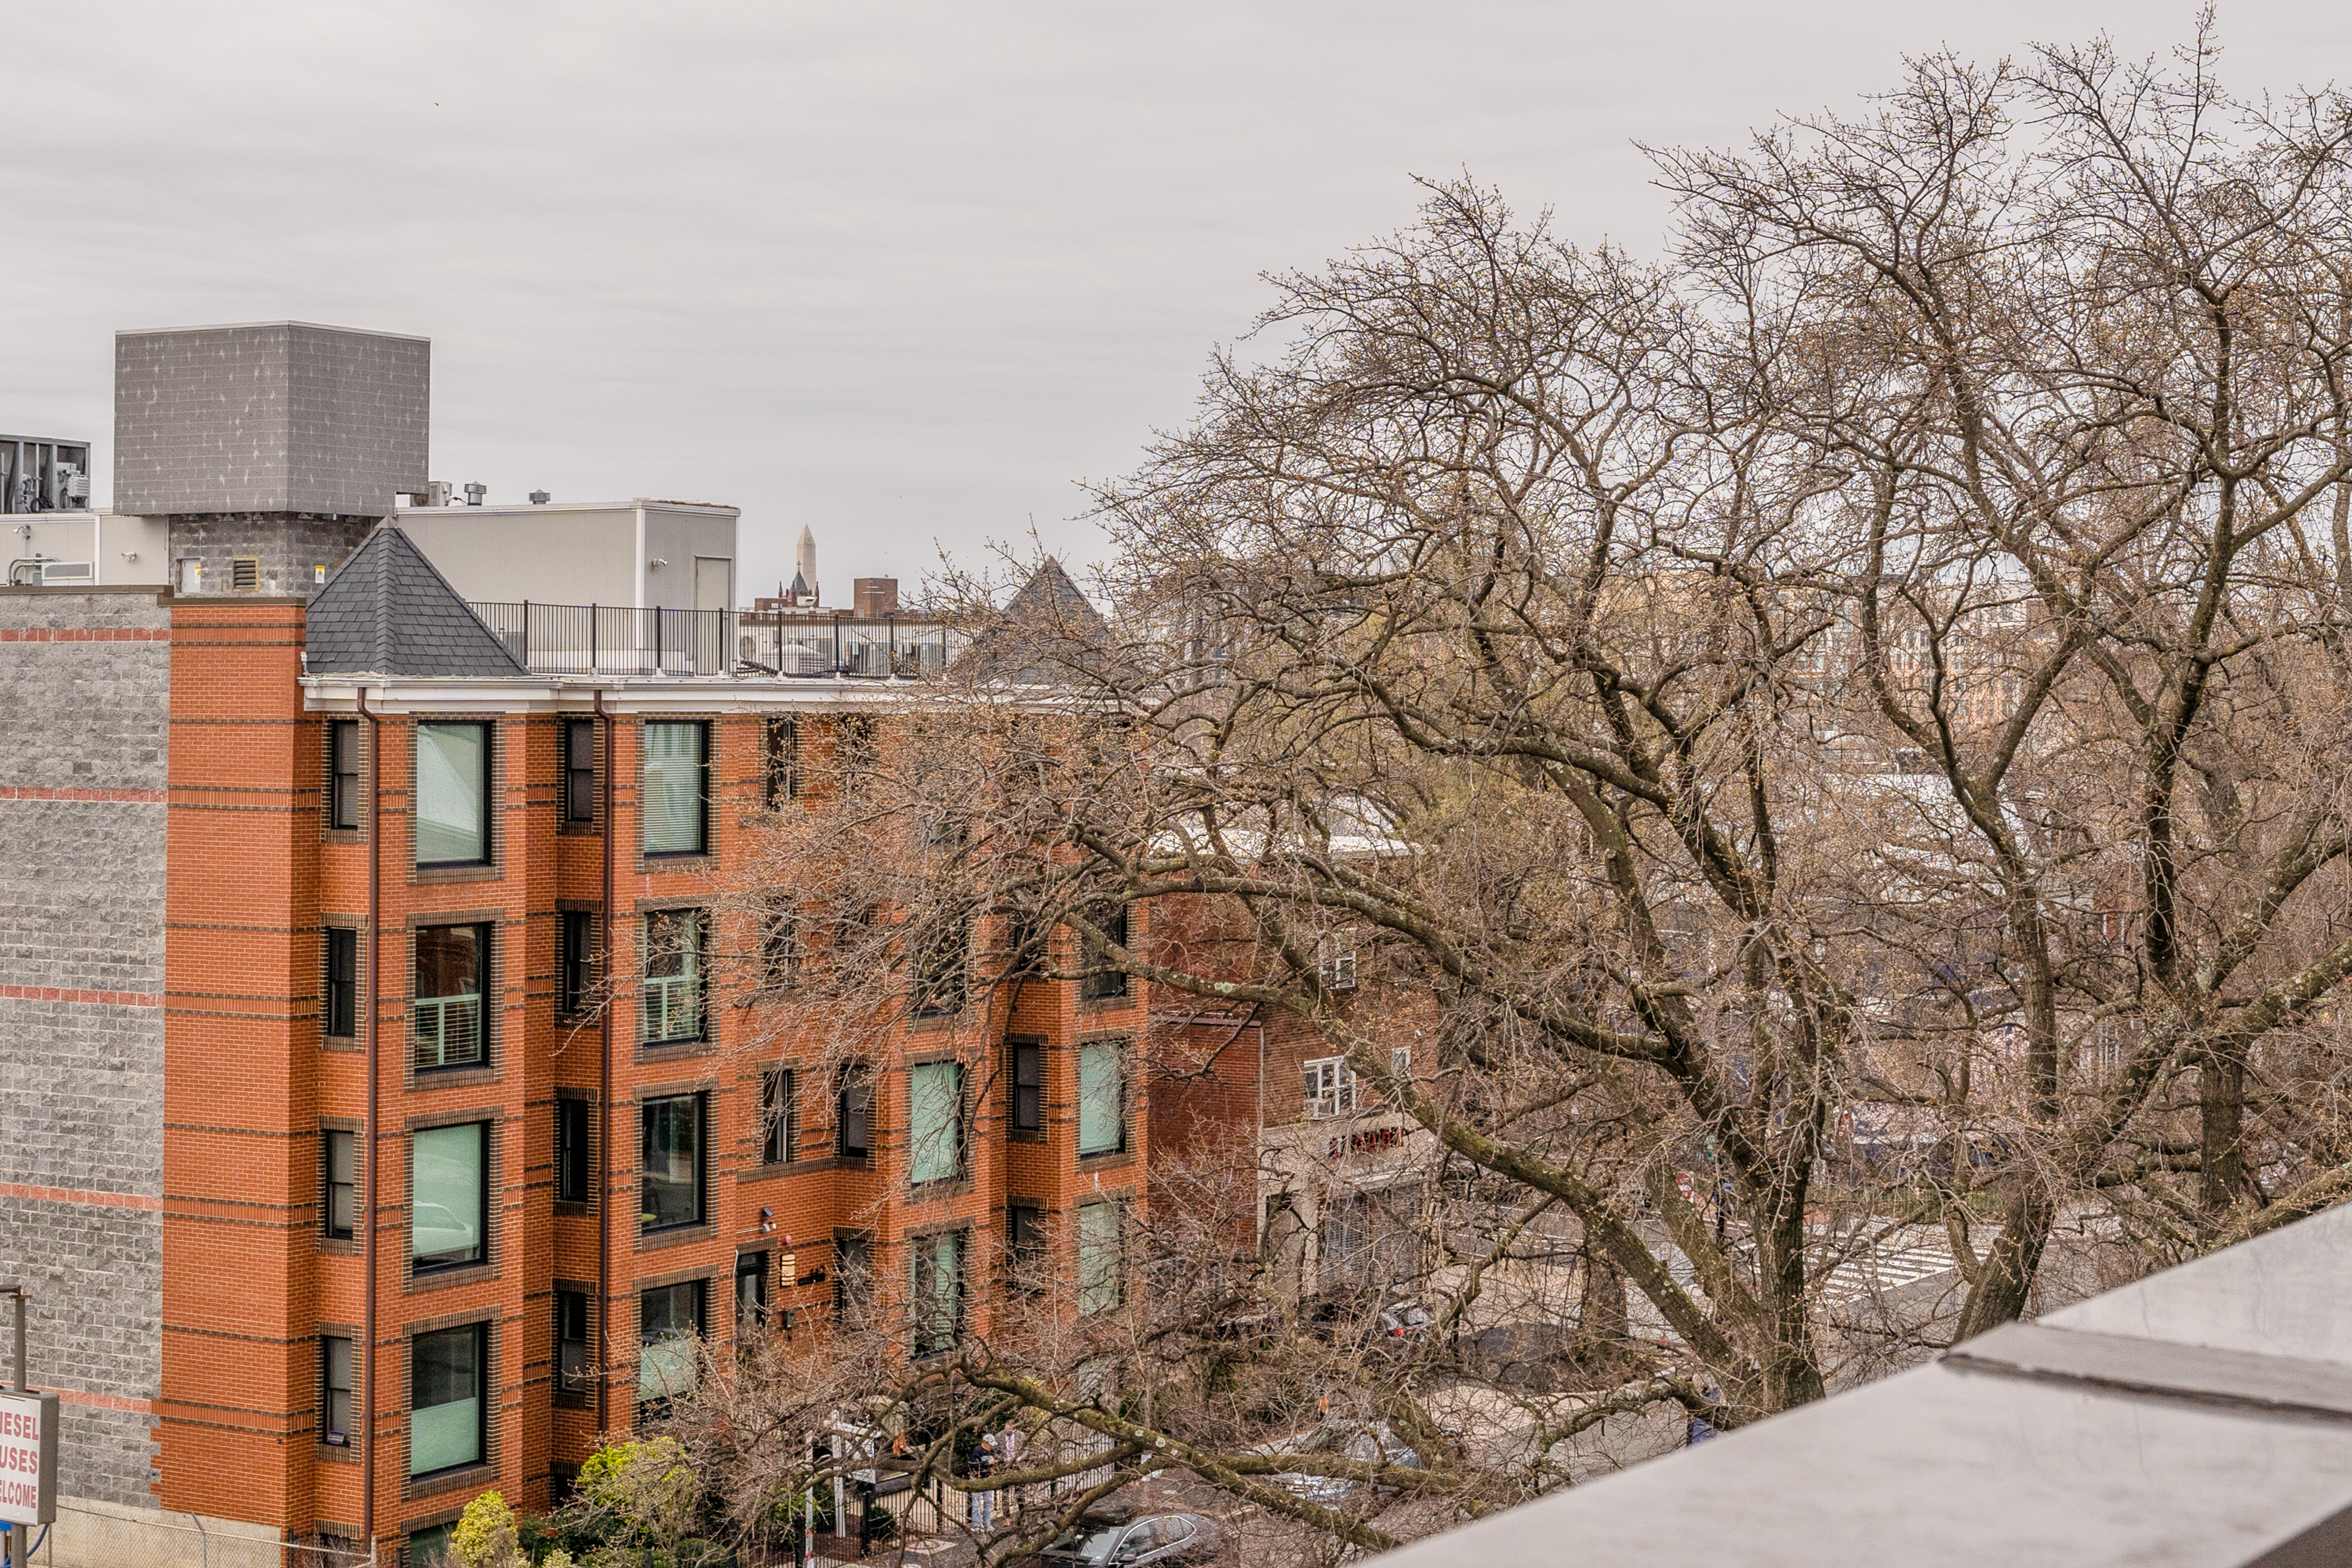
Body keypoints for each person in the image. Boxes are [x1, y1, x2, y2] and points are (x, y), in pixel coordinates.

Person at [971, 1431, 1000, 1533]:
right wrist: (987, 1463)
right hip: (978, 1479)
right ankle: (977, 1525)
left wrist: (993, 1465)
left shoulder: (991, 1452)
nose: (991, 1448)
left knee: (989, 1503)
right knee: (977, 1504)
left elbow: (990, 1462)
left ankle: (987, 1523)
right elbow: (974, 1465)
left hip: (986, 1478)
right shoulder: (977, 1451)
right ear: (985, 1444)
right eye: (990, 1446)